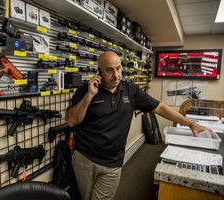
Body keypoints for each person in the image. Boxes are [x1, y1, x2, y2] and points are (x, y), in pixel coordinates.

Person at [66, 51, 211, 200]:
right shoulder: (86, 89)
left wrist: (190, 124)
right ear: (100, 72)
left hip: (113, 162)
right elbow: (71, 121)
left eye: (118, 68)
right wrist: (90, 95)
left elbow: (160, 107)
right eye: (109, 70)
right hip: (85, 158)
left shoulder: (130, 90)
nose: (116, 75)